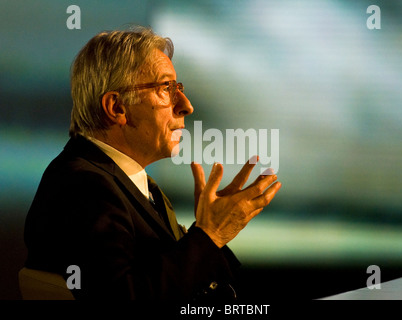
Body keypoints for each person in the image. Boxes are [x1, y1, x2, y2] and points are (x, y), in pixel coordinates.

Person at [23, 26, 281, 301]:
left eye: (178, 87)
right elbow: (123, 298)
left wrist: (209, 230)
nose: (186, 105)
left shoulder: (126, 180)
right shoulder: (85, 187)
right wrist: (209, 235)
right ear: (117, 107)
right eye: (166, 88)